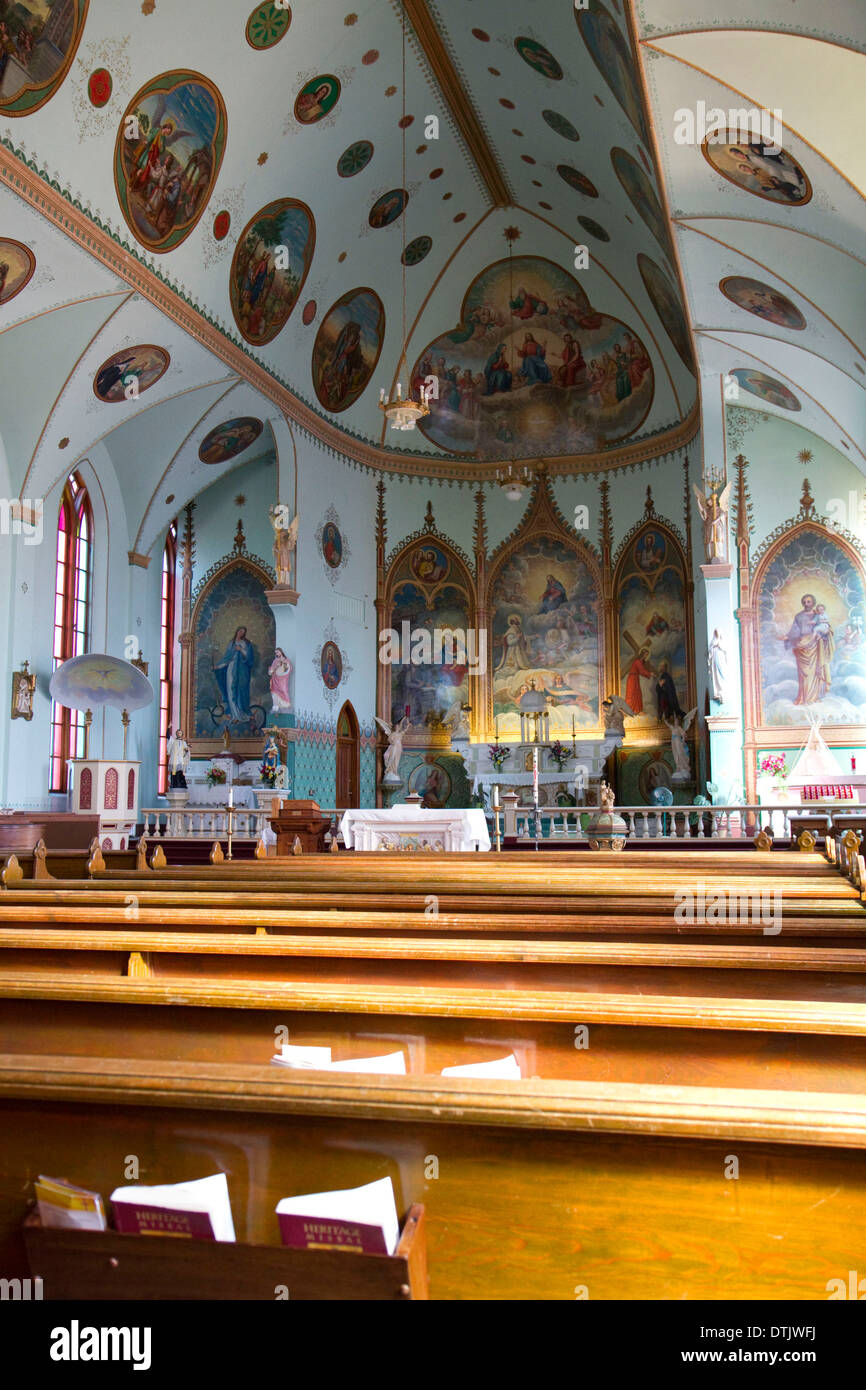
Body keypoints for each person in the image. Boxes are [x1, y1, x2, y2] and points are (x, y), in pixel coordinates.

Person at [215, 627, 255, 721]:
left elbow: (249, 658)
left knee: (241, 691)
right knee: (230, 690)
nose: (241, 633)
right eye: (240, 631)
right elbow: (227, 658)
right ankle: (234, 715)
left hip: (242, 671)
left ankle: (242, 714)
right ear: (237, 631)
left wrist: (241, 649)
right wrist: (219, 666)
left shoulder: (246, 643)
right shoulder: (231, 643)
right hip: (231, 668)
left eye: (243, 632)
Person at [625, 646, 653, 713]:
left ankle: (637, 710)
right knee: (631, 695)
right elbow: (642, 671)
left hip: (635, 678)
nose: (646, 656)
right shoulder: (638, 662)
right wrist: (650, 674)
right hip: (632, 679)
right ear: (642, 654)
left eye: (647, 655)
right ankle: (629, 710)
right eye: (645, 654)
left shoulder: (640, 662)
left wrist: (649, 673)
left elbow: (642, 670)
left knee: (637, 694)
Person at [268, 648, 292, 713]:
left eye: (278, 652)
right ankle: (276, 706)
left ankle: (285, 705)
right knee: (275, 693)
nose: (277, 654)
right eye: (276, 653)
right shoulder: (275, 661)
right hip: (275, 679)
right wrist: (276, 667)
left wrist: (282, 666)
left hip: (283, 680)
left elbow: (288, 669)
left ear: (281, 652)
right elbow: (271, 671)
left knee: (284, 690)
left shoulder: (286, 660)